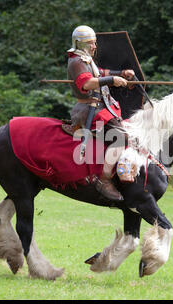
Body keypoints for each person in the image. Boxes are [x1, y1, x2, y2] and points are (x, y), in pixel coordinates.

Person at [66, 25, 135, 202]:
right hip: (88, 109)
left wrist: (121, 73)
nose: (95, 46)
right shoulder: (76, 62)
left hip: (100, 106)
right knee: (121, 136)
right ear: (81, 44)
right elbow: (87, 84)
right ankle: (104, 179)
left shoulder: (86, 59)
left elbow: (99, 73)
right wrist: (112, 80)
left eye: (94, 43)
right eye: (91, 43)